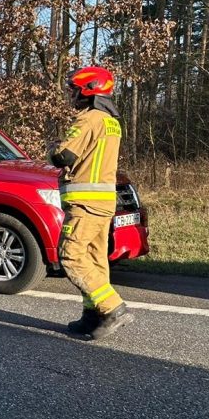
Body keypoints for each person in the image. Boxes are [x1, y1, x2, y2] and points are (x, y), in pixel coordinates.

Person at [51, 66, 133, 340]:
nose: (71, 96)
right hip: (102, 202)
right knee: (96, 260)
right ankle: (93, 315)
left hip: (85, 203)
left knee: (71, 255)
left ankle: (112, 308)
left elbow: (63, 156)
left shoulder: (89, 120)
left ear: (88, 91)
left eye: (74, 90)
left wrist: (52, 146)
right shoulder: (111, 121)